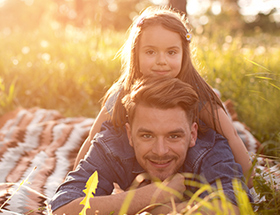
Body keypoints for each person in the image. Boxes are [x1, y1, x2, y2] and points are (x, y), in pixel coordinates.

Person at [73, 6, 253, 187]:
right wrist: (73, 178)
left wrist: (251, 183)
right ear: (136, 54)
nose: (161, 61)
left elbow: (232, 136)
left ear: (184, 54)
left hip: (186, 153)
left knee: (227, 124)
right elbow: (92, 137)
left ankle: (218, 97)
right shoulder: (123, 92)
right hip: (149, 158)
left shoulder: (199, 94)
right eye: (150, 52)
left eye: (171, 52)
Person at [50, 76, 252, 214]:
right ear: (129, 134)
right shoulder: (112, 147)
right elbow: (63, 209)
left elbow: (234, 207)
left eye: (174, 136)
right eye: (147, 136)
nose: (160, 151)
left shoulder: (209, 149)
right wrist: (154, 196)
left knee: (224, 115)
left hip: (204, 105)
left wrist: (160, 210)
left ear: (192, 134)